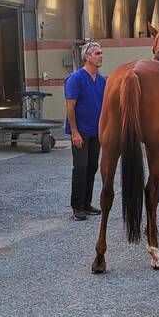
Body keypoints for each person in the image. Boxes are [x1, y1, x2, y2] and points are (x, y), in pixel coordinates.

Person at [64, 41, 106, 221]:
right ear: (87, 57)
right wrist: (74, 132)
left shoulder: (102, 80)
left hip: (96, 132)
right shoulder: (76, 78)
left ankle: (87, 203)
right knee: (80, 169)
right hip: (80, 132)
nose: (101, 56)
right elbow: (70, 107)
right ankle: (77, 207)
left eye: (101, 53)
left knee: (92, 167)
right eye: (97, 53)